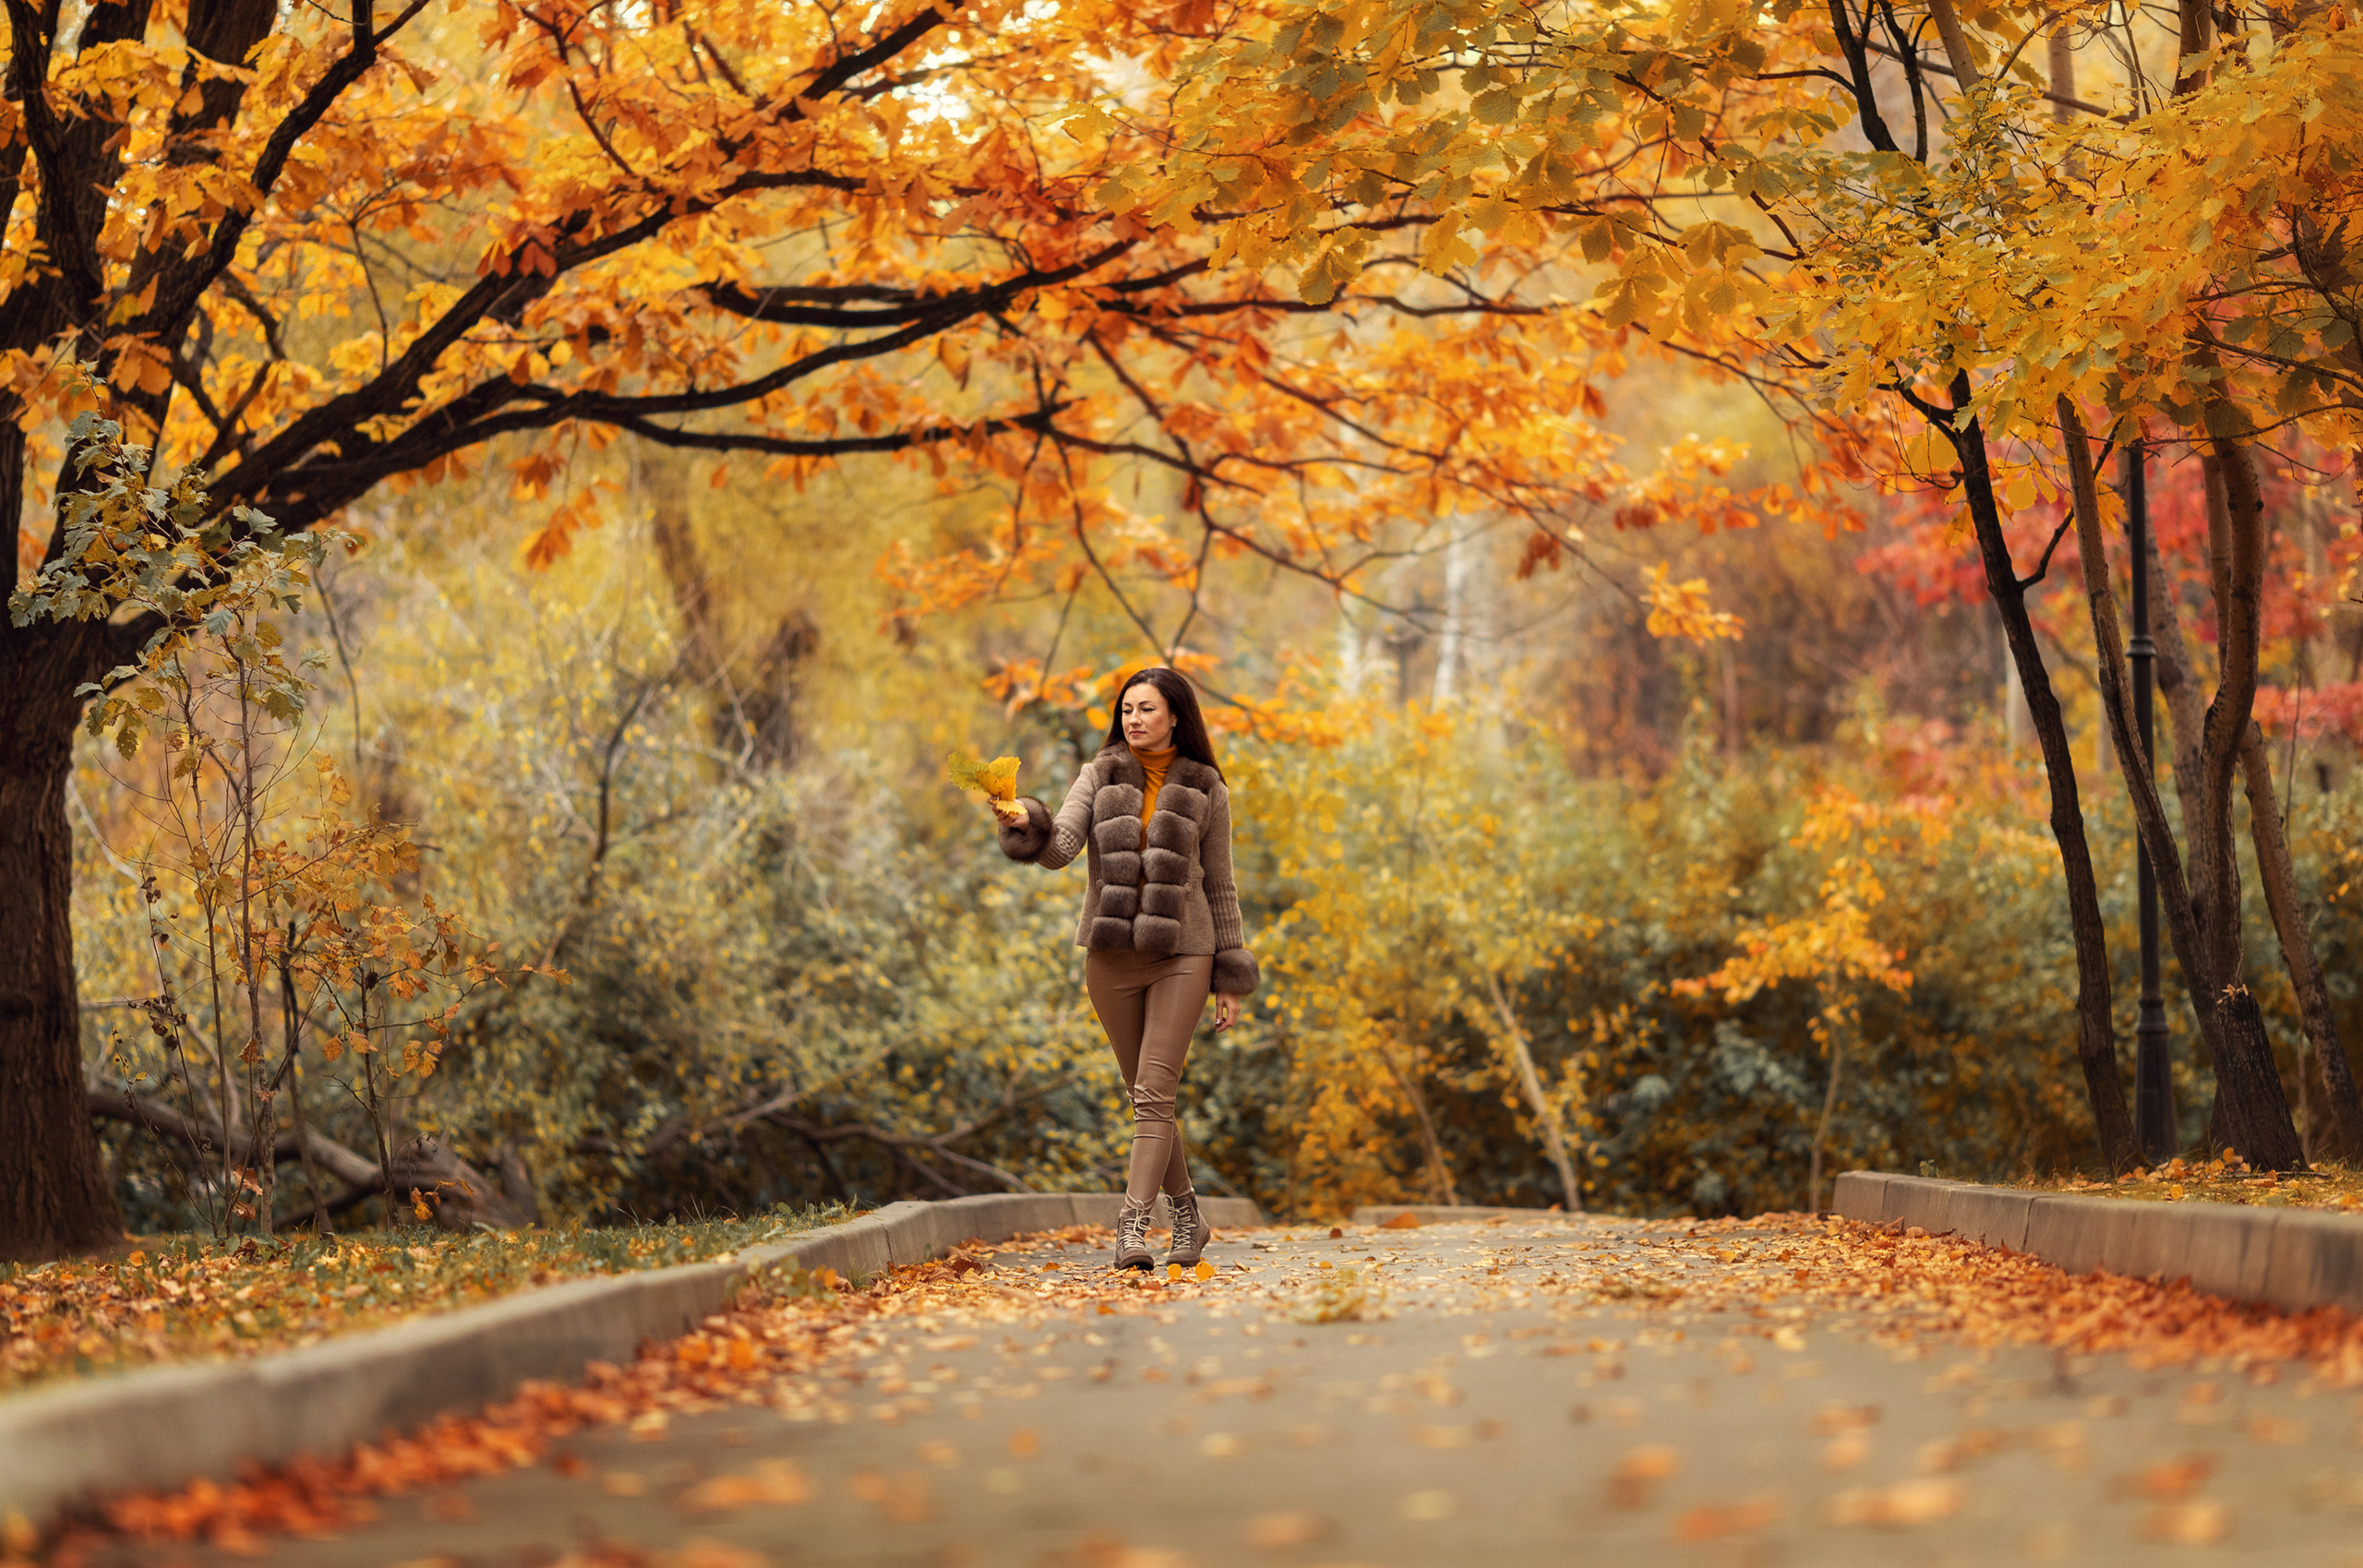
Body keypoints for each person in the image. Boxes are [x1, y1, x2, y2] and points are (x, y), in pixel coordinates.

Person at [991, 667, 1257, 1270]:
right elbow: (1060, 849)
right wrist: (1023, 822)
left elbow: (1220, 885)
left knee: (1155, 1091)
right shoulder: (1100, 772)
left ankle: (1131, 1225)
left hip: (1183, 952)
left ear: (1175, 716)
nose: (1134, 719)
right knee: (1147, 1100)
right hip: (1110, 958)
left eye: (1147, 709)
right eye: (1127, 709)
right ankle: (1188, 1211)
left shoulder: (1206, 786)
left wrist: (1229, 976)